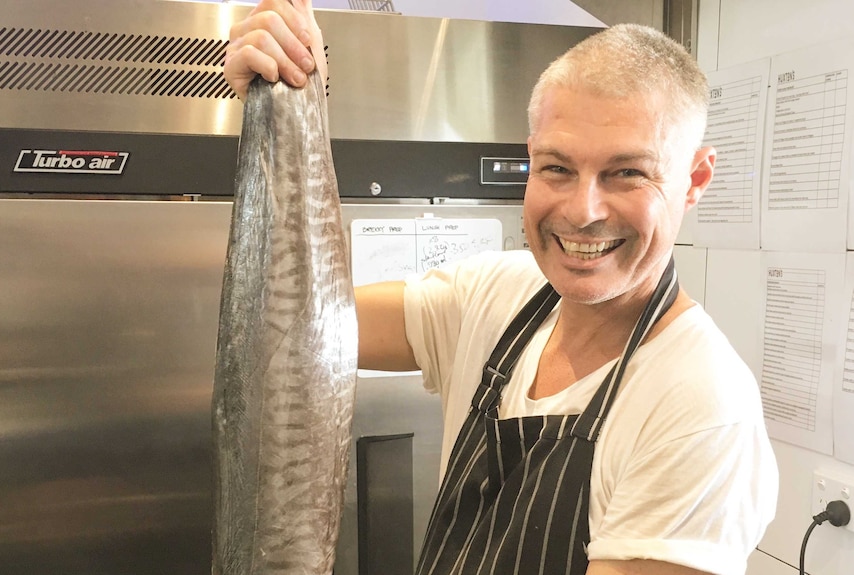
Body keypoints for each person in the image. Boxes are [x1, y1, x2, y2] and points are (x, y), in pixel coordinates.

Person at [223, 2, 779, 574]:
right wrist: (286, 97)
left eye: (627, 172)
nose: (583, 212)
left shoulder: (700, 408)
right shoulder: (499, 293)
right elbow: (291, 336)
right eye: (557, 168)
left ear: (695, 180)